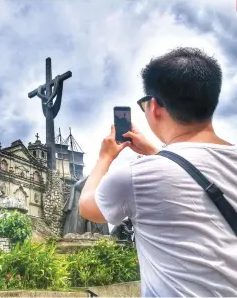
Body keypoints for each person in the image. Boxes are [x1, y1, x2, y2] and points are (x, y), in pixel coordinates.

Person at [79, 47, 237, 297]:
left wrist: (104, 157)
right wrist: (159, 152)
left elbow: (87, 207)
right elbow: (192, 173)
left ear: (154, 107)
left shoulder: (135, 177)